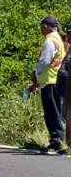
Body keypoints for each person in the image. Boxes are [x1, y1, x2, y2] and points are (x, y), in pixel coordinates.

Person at [28, 16, 67, 154]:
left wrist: (35, 74)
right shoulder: (58, 39)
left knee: (52, 112)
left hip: (49, 81)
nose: (40, 29)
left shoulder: (50, 41)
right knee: (53, 111)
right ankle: (57, 141)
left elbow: (44, 62)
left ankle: (56, 142)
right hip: (53, 80)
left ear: (45, 26)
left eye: (41, 27)